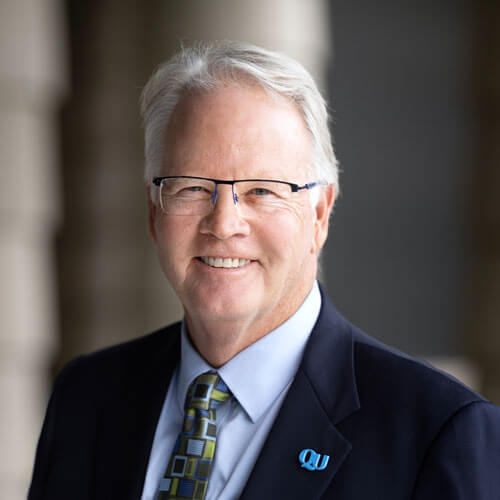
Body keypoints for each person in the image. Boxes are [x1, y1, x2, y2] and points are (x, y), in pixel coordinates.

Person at [28, 41, 500, 500]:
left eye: (263, 190)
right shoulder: (86, 398)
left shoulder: (437, 432)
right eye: (191, 188)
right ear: (154, 213)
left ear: (319, 215)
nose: (224, 223)